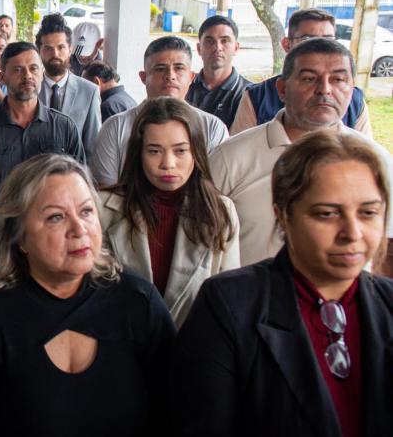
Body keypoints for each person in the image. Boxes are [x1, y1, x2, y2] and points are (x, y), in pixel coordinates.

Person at [0, 154, 176, 436]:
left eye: (86, 212)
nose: (78, 229)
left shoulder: (137, 301)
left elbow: (175, 413)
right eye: (56, 217)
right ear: (19, 236)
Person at [171, 130, 393, 436]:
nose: (352, 233)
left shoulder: (388, 304)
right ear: (283, 215)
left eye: (369, 213)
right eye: (327, 214)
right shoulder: (229, 305)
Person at [209, 37, 393, 267]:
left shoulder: (377, 161)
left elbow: (386, 253)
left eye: (338, 79)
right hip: (251, 300)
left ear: (352, 88)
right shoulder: (230, 158)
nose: (324, 89)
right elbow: (199, 244)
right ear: (282, 89)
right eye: (309, 79)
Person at [98, 98, 239, 327]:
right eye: (154, 151)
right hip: (122, 348)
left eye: (181, 150)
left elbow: (230, 300)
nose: (168, 164)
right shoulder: (105, 208)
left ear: (196, 152)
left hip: (193, 349)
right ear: (139, 153)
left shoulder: (220, 211)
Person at [91, 36, 228, 187]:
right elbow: (107, 196)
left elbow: (215, 189)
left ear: (191, 77)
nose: (170, 76)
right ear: (143, 77)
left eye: (179, 68)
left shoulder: (212, 128)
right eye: (160, 69)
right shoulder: (115, 128)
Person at [231, 8, 371, 136]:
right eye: (308, 39)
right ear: (287, 44)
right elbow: (240, 148)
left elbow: (365, 152)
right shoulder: (258, 97)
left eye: (327, 39)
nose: (319, 47)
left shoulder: (354, 99)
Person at [0, 42, 85, 185]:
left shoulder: (65, 127)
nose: (27, 75)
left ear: (42, 74)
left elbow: (79, 184)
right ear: (2, 77)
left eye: (33, 68)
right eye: (17, 70)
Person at [35, 14, 103, 162]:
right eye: (48, 48)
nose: (55, 54)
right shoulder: (30, 89)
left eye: (61, 47)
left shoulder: (89, 91)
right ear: (39, 51)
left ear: (70, 49)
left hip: (74, 177)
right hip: (36, 177)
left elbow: (93, 146)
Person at [185, 15, 252, 128]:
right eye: (210, 41)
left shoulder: (249, 94)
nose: (218, 47)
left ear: (236, 48)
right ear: (199, 48)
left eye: (225, 41)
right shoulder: (184, 87)